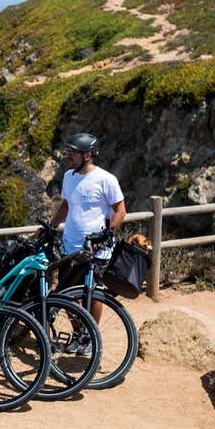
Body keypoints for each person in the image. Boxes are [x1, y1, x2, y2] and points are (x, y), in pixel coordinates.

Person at [49, 132, 127, 354]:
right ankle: (78, 336)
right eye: (69, 151)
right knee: (67, 296)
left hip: (95, 249)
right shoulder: (69, 176)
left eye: (73, 152)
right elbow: (66, 205)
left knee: (92, 294)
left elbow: (120, 212)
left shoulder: (106, 179)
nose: (69, 155)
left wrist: (105, 234)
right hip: (70, 247)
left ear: (88, 154)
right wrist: (51, 226)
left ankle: (90, 338)